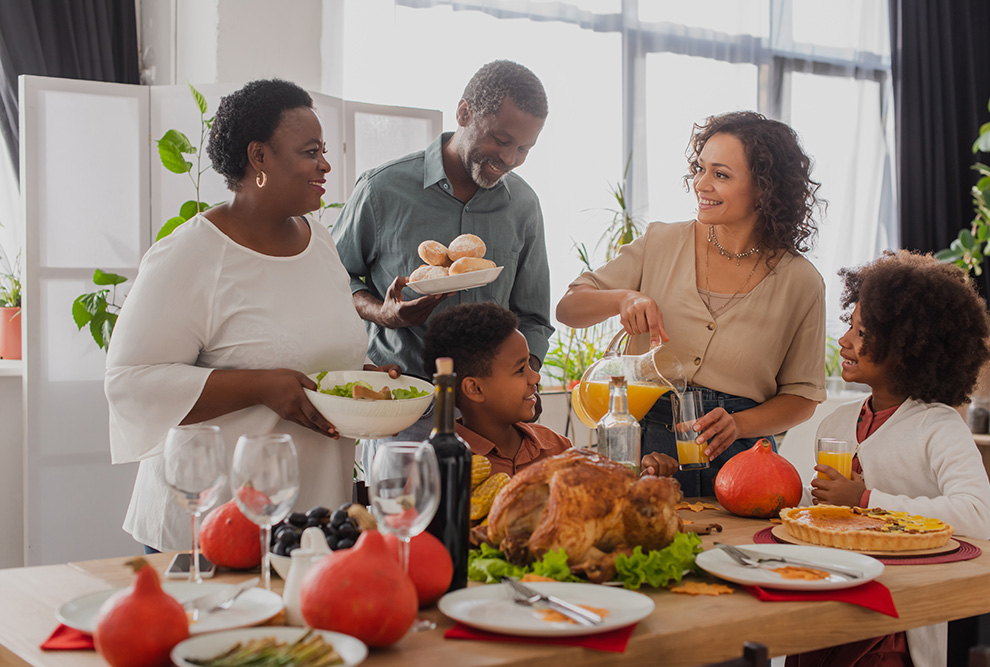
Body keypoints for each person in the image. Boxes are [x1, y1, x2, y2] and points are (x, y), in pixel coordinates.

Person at [105, 79, 399, 552]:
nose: (325, 164)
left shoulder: (319, 241)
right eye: (310, 152)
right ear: (258, 157)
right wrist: (261, 387)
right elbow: (130, 381)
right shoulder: (191, 254)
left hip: (306, 524)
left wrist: (362, 385)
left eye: (323, 150)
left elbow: (311, 357)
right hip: (208, 525)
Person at [556, 111, 827, 498]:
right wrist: (623, 298)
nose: (701, 184)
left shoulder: (802, 281)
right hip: (648, 450)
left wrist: (740, 424)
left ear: (764, 188)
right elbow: (568, 307)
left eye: (721, 174)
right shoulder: (661, 243)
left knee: (734, 554)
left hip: (742, 462)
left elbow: (802, 397)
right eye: (700, 169)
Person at [332, 60, 555, 472]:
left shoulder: (523, 205)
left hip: (490, 427)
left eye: (524, 149)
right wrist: (382, 313)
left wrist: (527, 378)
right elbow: (332, 279)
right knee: (407, 533)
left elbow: (534, 317)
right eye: (501, 140)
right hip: (403, 415)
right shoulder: (382, 190)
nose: (509, 158)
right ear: (464, 113)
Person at [788, 250, 990, 667]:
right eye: (850, 325)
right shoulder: (837, 423)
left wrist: (865, 501)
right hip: (824, 603)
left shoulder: (938, 427)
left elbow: (978, 516)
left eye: (862, 332)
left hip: (893, 625)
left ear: (905, 347)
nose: (844, 340)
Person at [422, 302, 677, 478]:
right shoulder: (437, 463)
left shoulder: (556, 447)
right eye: (520, 369)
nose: (536, 377)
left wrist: (640, 477)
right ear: (475, 388)